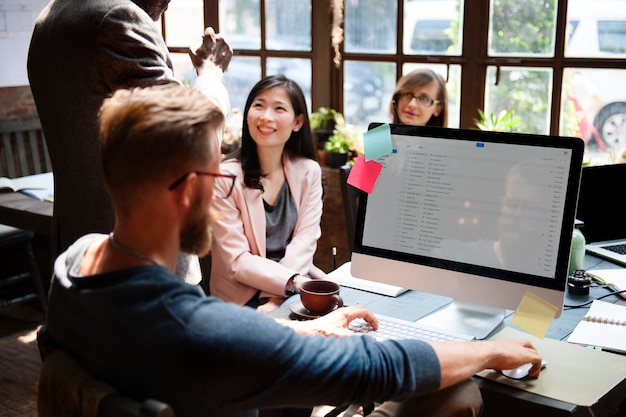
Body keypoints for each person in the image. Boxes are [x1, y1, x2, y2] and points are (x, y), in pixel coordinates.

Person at [44, 83, 545, 417]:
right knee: (460, 393)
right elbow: (379, 370)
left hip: (238, 349)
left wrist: (295, 327)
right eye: (215, 170)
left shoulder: (73, 265)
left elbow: (226, 334)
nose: (226, 179)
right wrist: (489, 350)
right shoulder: (199, 331)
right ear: (186, 189)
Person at [27, 0, 232, 283]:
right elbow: (189, 138)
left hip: (76, 247)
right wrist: (211, 74)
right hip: (142, 257)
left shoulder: (50, 18)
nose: (170, 4)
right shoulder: (116, 20)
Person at [209, 75, 326, 313]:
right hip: (241, 296)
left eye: (279, 108)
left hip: (294, 286)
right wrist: (287, 285)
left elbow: (305, 241)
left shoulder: (308, 171)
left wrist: (278, 296)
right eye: (258, 105)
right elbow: (237, 260)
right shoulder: (224, 178)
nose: (266, 116)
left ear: (297, 122)